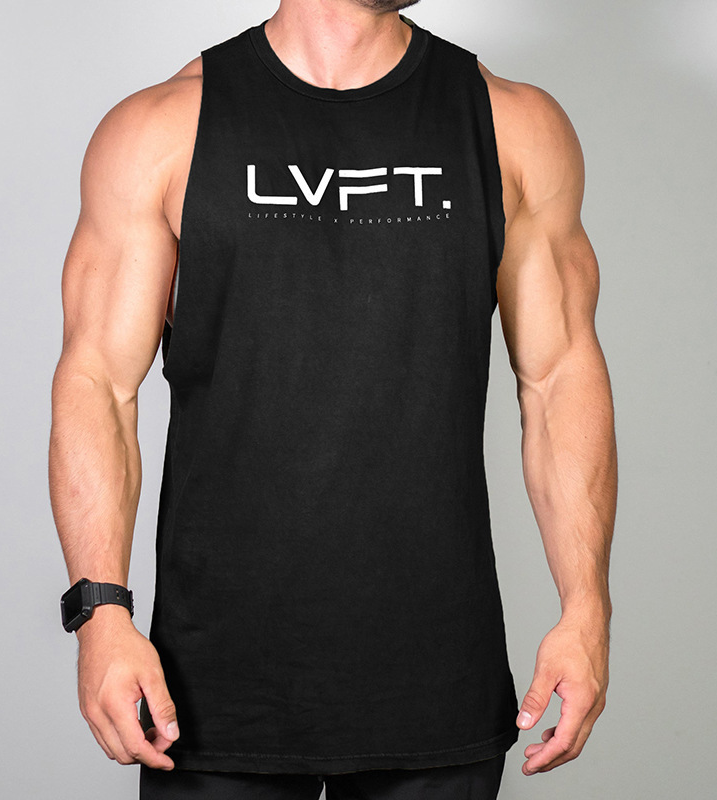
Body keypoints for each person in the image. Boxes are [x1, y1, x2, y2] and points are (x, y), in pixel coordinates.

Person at [49, 1, 617, 798]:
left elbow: (559, 377)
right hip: (209, 693)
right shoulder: (163, 129)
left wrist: (586, 610)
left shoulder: (511, 125)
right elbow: (98, 385)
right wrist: (100, 613)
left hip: (435, 679)